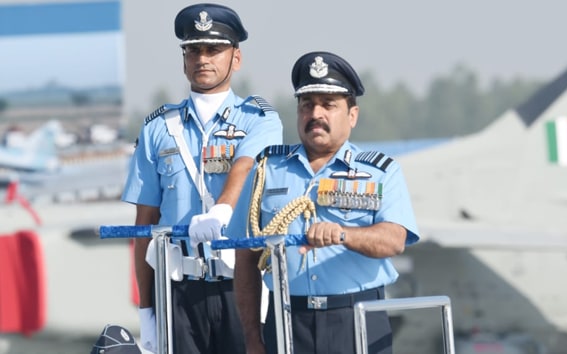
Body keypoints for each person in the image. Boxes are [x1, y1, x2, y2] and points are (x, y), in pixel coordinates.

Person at [227, 51, 419, 354]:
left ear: (352, 115)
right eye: (307, 105)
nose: (316, 114)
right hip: (287, 319)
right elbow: (246, 256)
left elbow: (395, 240)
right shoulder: (267, 170)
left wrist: (343, 234)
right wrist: (252, 337)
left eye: (328, 105)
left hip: (357, 317)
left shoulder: (380, 172)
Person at [121, 3, 283, 354]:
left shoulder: (260, 119)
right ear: (184, 59)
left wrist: (223, 210)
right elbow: (144, 225)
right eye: (193, 49)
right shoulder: (158, 128)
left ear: (236, 59)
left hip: (242, 285)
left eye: (214, 49)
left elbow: (244, 163)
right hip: (178, 292)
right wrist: (146, 309)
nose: (202, 59)